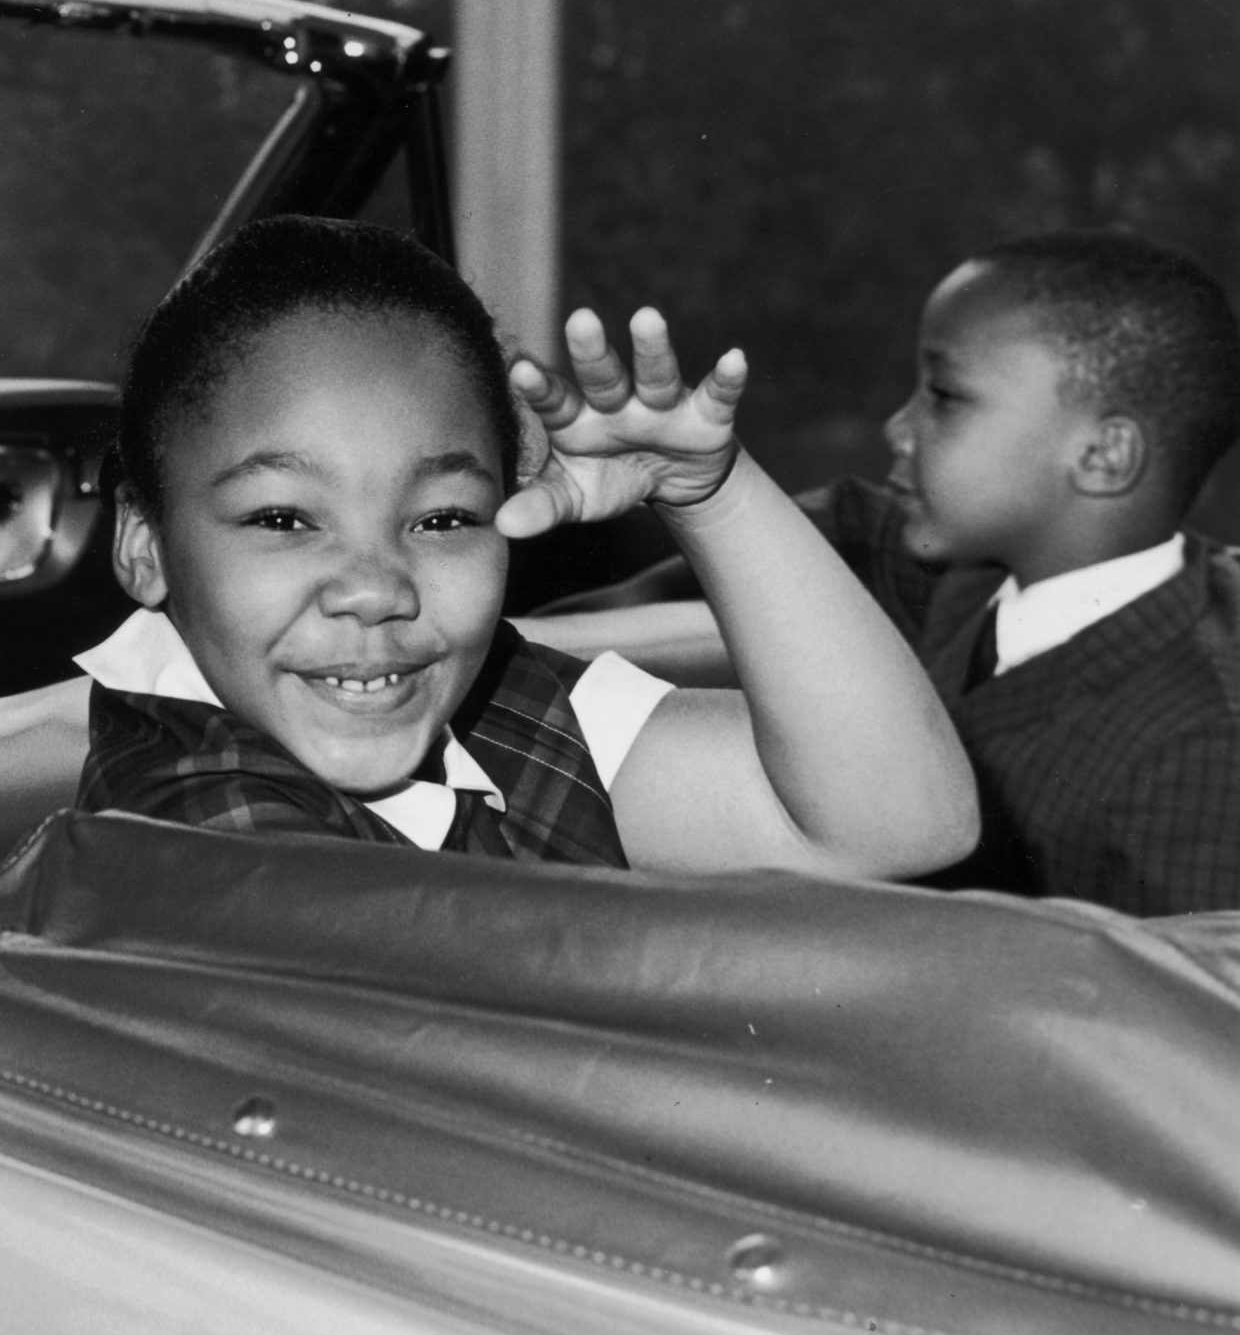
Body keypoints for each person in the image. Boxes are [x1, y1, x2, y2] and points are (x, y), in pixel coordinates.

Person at [75, 216, 977, 878]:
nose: (376, 588)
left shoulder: (495, 703)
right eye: (283, 520)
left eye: (440, 520)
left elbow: (903, 823)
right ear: (145, 545)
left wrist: (714, 498)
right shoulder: (190, 833)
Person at [529, 230, 1240, 914]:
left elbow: (1191, 1011)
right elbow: (831, 536)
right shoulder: (967, 575)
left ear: (1102, 456)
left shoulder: (1199, 747)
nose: (897, 428)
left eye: (945, 397)